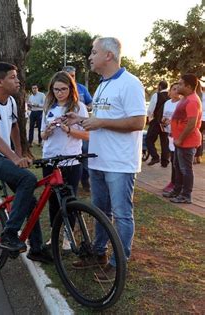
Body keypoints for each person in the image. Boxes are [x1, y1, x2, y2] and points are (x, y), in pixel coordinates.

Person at [65, 37, 146, 282]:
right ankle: (99, 253)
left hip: (120, 163)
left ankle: (118, 262)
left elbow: (138, 122)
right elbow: (103, 119)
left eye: (94, 52)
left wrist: (100, 122)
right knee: (101, 211)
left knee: (121, 214)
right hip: (99, 160)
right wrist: (82, 119)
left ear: (108, 55)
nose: (90, 57)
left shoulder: (130, 83)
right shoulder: (102, 85)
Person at [0, 62, 51, 263]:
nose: (18, 81)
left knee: (30, 201)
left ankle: (37, 248)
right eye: (13, 77)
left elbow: (15, 127)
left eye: (17, 77)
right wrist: (15, 159)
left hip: (3, 155)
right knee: (28, 179)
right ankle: (9, 234)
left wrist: (19, 153)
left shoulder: (11, 102)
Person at [40, 71, 89, 243]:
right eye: (56, 90)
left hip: (71, 160)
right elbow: (42, 135)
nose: (60, 93)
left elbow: (87, 135)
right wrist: (48, 131)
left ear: (71, 88)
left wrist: (68, 130)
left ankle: (68, 238)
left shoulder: (78, 108)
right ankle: (55, 236)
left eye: (63, 89)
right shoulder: (49, 107)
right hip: (50, 159)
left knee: (69, 200)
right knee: (53, 200)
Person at [163, 74, 202, 204]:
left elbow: (192, 123)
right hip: (180, 141)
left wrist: (180, 139)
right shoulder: (185, 99)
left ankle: (186, 195)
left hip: (187, 142)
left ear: (188, 86)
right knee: (178, 167)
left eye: (180, 84)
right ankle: (177, 190)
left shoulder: (192, 101)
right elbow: (181, 118)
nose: (177, 86)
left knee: (185, 169)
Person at [63, 65, 93, 192]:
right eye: (68, 75)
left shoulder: (81, 88)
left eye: (73, 76)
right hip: (65, 131)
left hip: (81, 127)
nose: (71, 78)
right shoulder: (59, 89)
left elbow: (90, 103)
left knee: (84, 152)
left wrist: (86, 108)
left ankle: (84, 179)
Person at [160, 82, 181, 194]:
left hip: (177, 135)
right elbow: (164, 116)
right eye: (174, 89)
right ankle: (174, 182)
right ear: (170, 91)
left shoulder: (181, 103)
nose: (176, 91)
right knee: (173, 159)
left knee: (175, 161)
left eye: (178, 89)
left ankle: (175, 183)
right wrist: (163, 122)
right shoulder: (167, 103)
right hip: (169, 134)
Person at [146, 81, 170, 167]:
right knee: (164, 141)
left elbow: (150, 110)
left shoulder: (157, 95)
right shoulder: (170, 96)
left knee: (149, 139)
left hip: (156, 121)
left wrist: (150, 118)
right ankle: (165, 162)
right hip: (166, 122)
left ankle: (155, 157)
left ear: (159, 86)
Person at [193, 82, 204, 164]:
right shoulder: (203, 95)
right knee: (200, 138)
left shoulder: (195, 97)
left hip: (198, 119)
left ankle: (194, 156)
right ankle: (199, 156)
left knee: (195, 137)